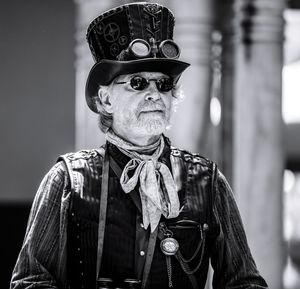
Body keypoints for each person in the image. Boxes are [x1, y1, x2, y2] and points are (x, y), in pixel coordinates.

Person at [10, 2, 268, 289]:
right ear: (106, 99)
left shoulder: (208, 182)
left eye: (164, 85)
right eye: (138, 82)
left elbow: (244, 282)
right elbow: (30, 282)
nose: (154, 94)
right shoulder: (68, 181)